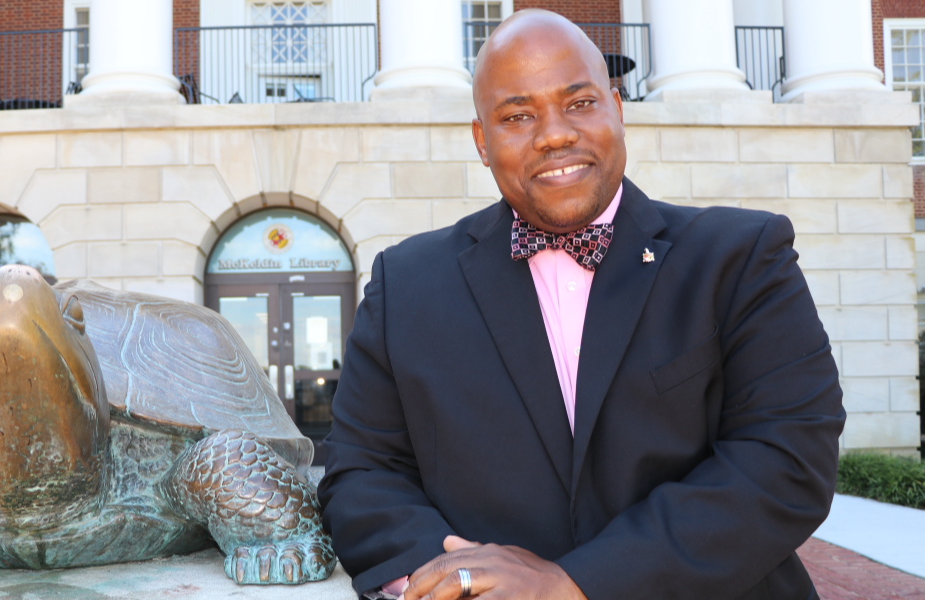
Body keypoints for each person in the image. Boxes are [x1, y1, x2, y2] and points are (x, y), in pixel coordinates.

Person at [317, 9, 845, 600]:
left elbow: (786, 463)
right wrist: (455, 579)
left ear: (617, 110)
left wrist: (573, 583)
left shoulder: (744, 258)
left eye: (580, 103)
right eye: (517, 116)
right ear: (481, 142)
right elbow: (361, 476)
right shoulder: (405, 284)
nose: (554, 135)